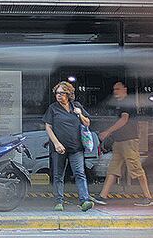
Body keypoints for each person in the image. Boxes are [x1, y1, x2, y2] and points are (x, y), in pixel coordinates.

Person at [96, 81, 153, 207]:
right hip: (119, 142)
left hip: (129, 141)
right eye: (114, 89)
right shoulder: (120, 104)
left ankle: (148, 197)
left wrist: (107, 132)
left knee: (136, 168)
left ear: (124, 89)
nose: (115, 92)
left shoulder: (127, 103)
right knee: (113, 169)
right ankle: (102, 196)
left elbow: (124, 120)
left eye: (118, 89)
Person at [43, 81, 94, 212]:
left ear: (69, 94)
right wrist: (56, 143)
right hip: (59, 148)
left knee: (80, 173)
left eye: (62, 93)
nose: (59, 95)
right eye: (57, 93)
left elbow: (87, 123)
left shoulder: (76, 106)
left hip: (76, 147)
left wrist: (80, 114)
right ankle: (58, 202)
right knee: (58, 175)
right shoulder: (53, 108)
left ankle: (85, 200)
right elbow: (48, 127)